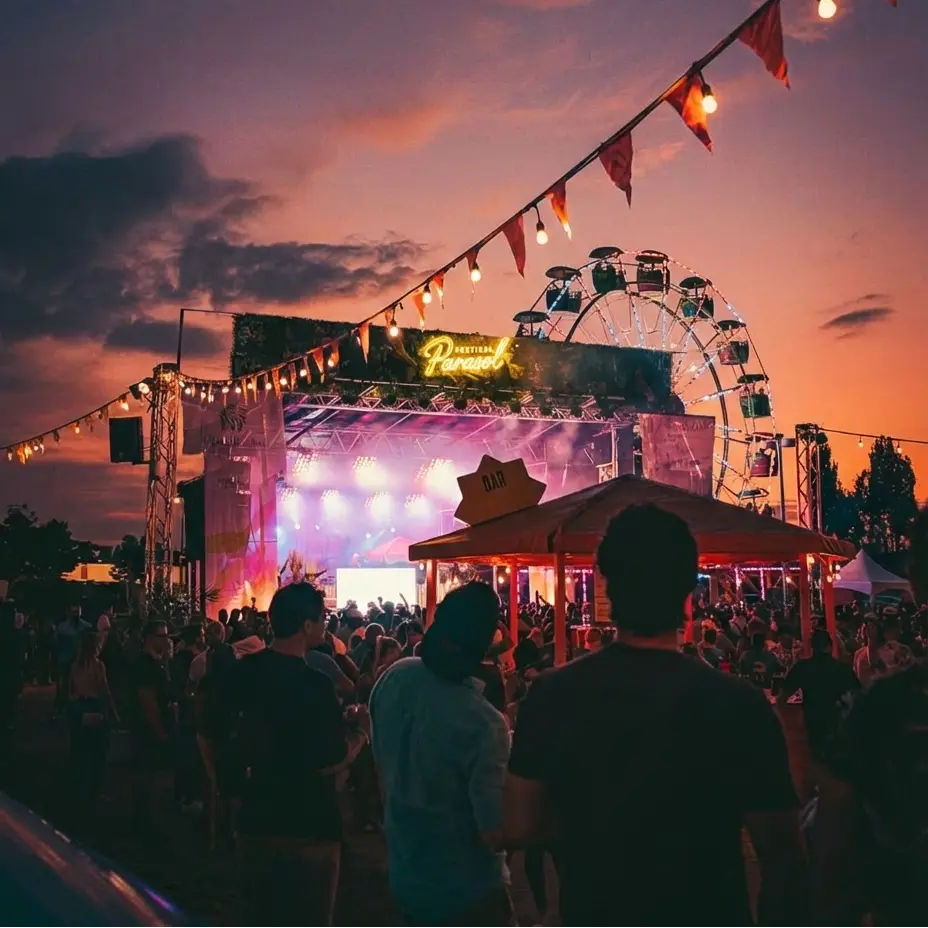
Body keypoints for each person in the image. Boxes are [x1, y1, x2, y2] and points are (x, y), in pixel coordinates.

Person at [504, 505, 806, 928]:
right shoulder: (739, 705)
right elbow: (783, 858)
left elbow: (519, 825)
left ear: (607, 590)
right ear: (688, 596)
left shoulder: (552, 696)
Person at [225, 583, 368, 928]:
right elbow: (332, 758)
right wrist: (360, 733)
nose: (325, 626)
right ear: (306, 625)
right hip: (308, 825)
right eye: (322, 619)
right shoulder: (315, 686)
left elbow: (219, 733)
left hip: (254, 820)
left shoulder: (242, 672)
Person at [370, 582, 512, 928]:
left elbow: (381, 769)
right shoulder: (485, 725)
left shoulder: (394, 679)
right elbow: (493, 832)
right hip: (469, 893)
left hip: (405, 876)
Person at [778, 629, 859, 770]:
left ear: (812, 647)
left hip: (811, 727)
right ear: (830, 646)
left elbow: (783, 696)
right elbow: (857, 698)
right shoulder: (843, 669)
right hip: (838, 728)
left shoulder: (802, 668)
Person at [129, 619, 174, 833]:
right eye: (162, 636)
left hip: (155, 728)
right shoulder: (144, 666)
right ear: (150, 638)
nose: (166, 640)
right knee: (151, 776)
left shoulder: (157, 663)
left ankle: (149, 820)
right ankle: (149, 822)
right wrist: (160, 731)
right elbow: (148, 702)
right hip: (149, 731)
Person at [69, 630, 119, 808]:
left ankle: (78, 790)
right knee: (98, 751)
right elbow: (104, 690)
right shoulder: (98, 666)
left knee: (80, 751)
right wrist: (113, 711)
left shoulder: (75, 666)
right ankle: (94, 792)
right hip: (94, 706)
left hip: (78, 708)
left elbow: (71, 691)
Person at [54, 606, 91, 716]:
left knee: (73, 685)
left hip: (75, 661)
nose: (75, 614)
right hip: (67, 661)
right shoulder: (63, 627)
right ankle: (65, 707)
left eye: (76, 612)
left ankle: (71, 708)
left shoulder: (84, 627)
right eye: (73, 612)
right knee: (65, 685)